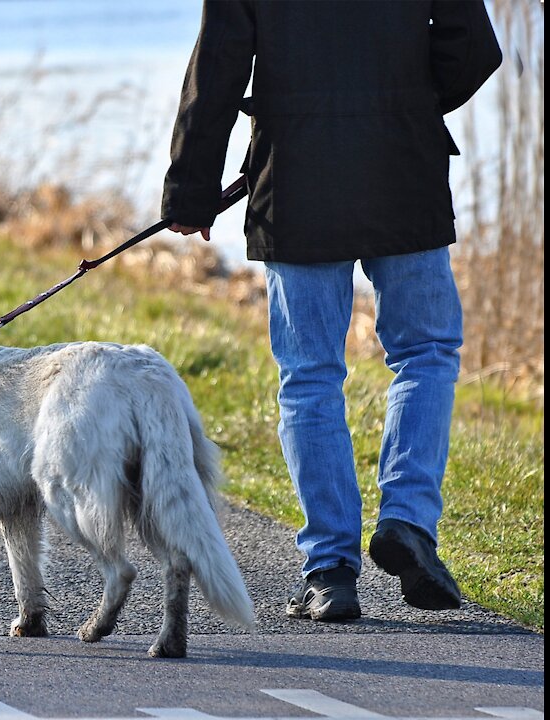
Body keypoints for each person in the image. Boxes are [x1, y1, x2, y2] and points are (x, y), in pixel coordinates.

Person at [163, 1, 502, 621]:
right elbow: (474, 51)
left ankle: (330, 570)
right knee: (426, 352)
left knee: (310, 373)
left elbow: (216, 69)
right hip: (405, 168)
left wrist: (191, 189)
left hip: (296, 181)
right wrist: (406, 102)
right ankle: (408, 521)